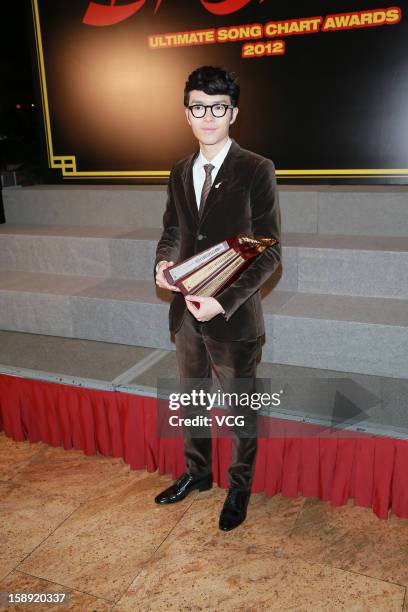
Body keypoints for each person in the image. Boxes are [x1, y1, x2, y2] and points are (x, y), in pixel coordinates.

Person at [154, 65, 281, 531]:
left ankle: (239, 488)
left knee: (241, 410)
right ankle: (198, 474)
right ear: (187, 114)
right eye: (199, 108)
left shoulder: (255, 169)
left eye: (218, 108)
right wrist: (162, 263)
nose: (208, 116)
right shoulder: (179, 170)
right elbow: (172, 230)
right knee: (191, 399)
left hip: (232, 317)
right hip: (185, 313)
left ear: (234, 113)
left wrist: (222, 302)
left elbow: (269, 253)